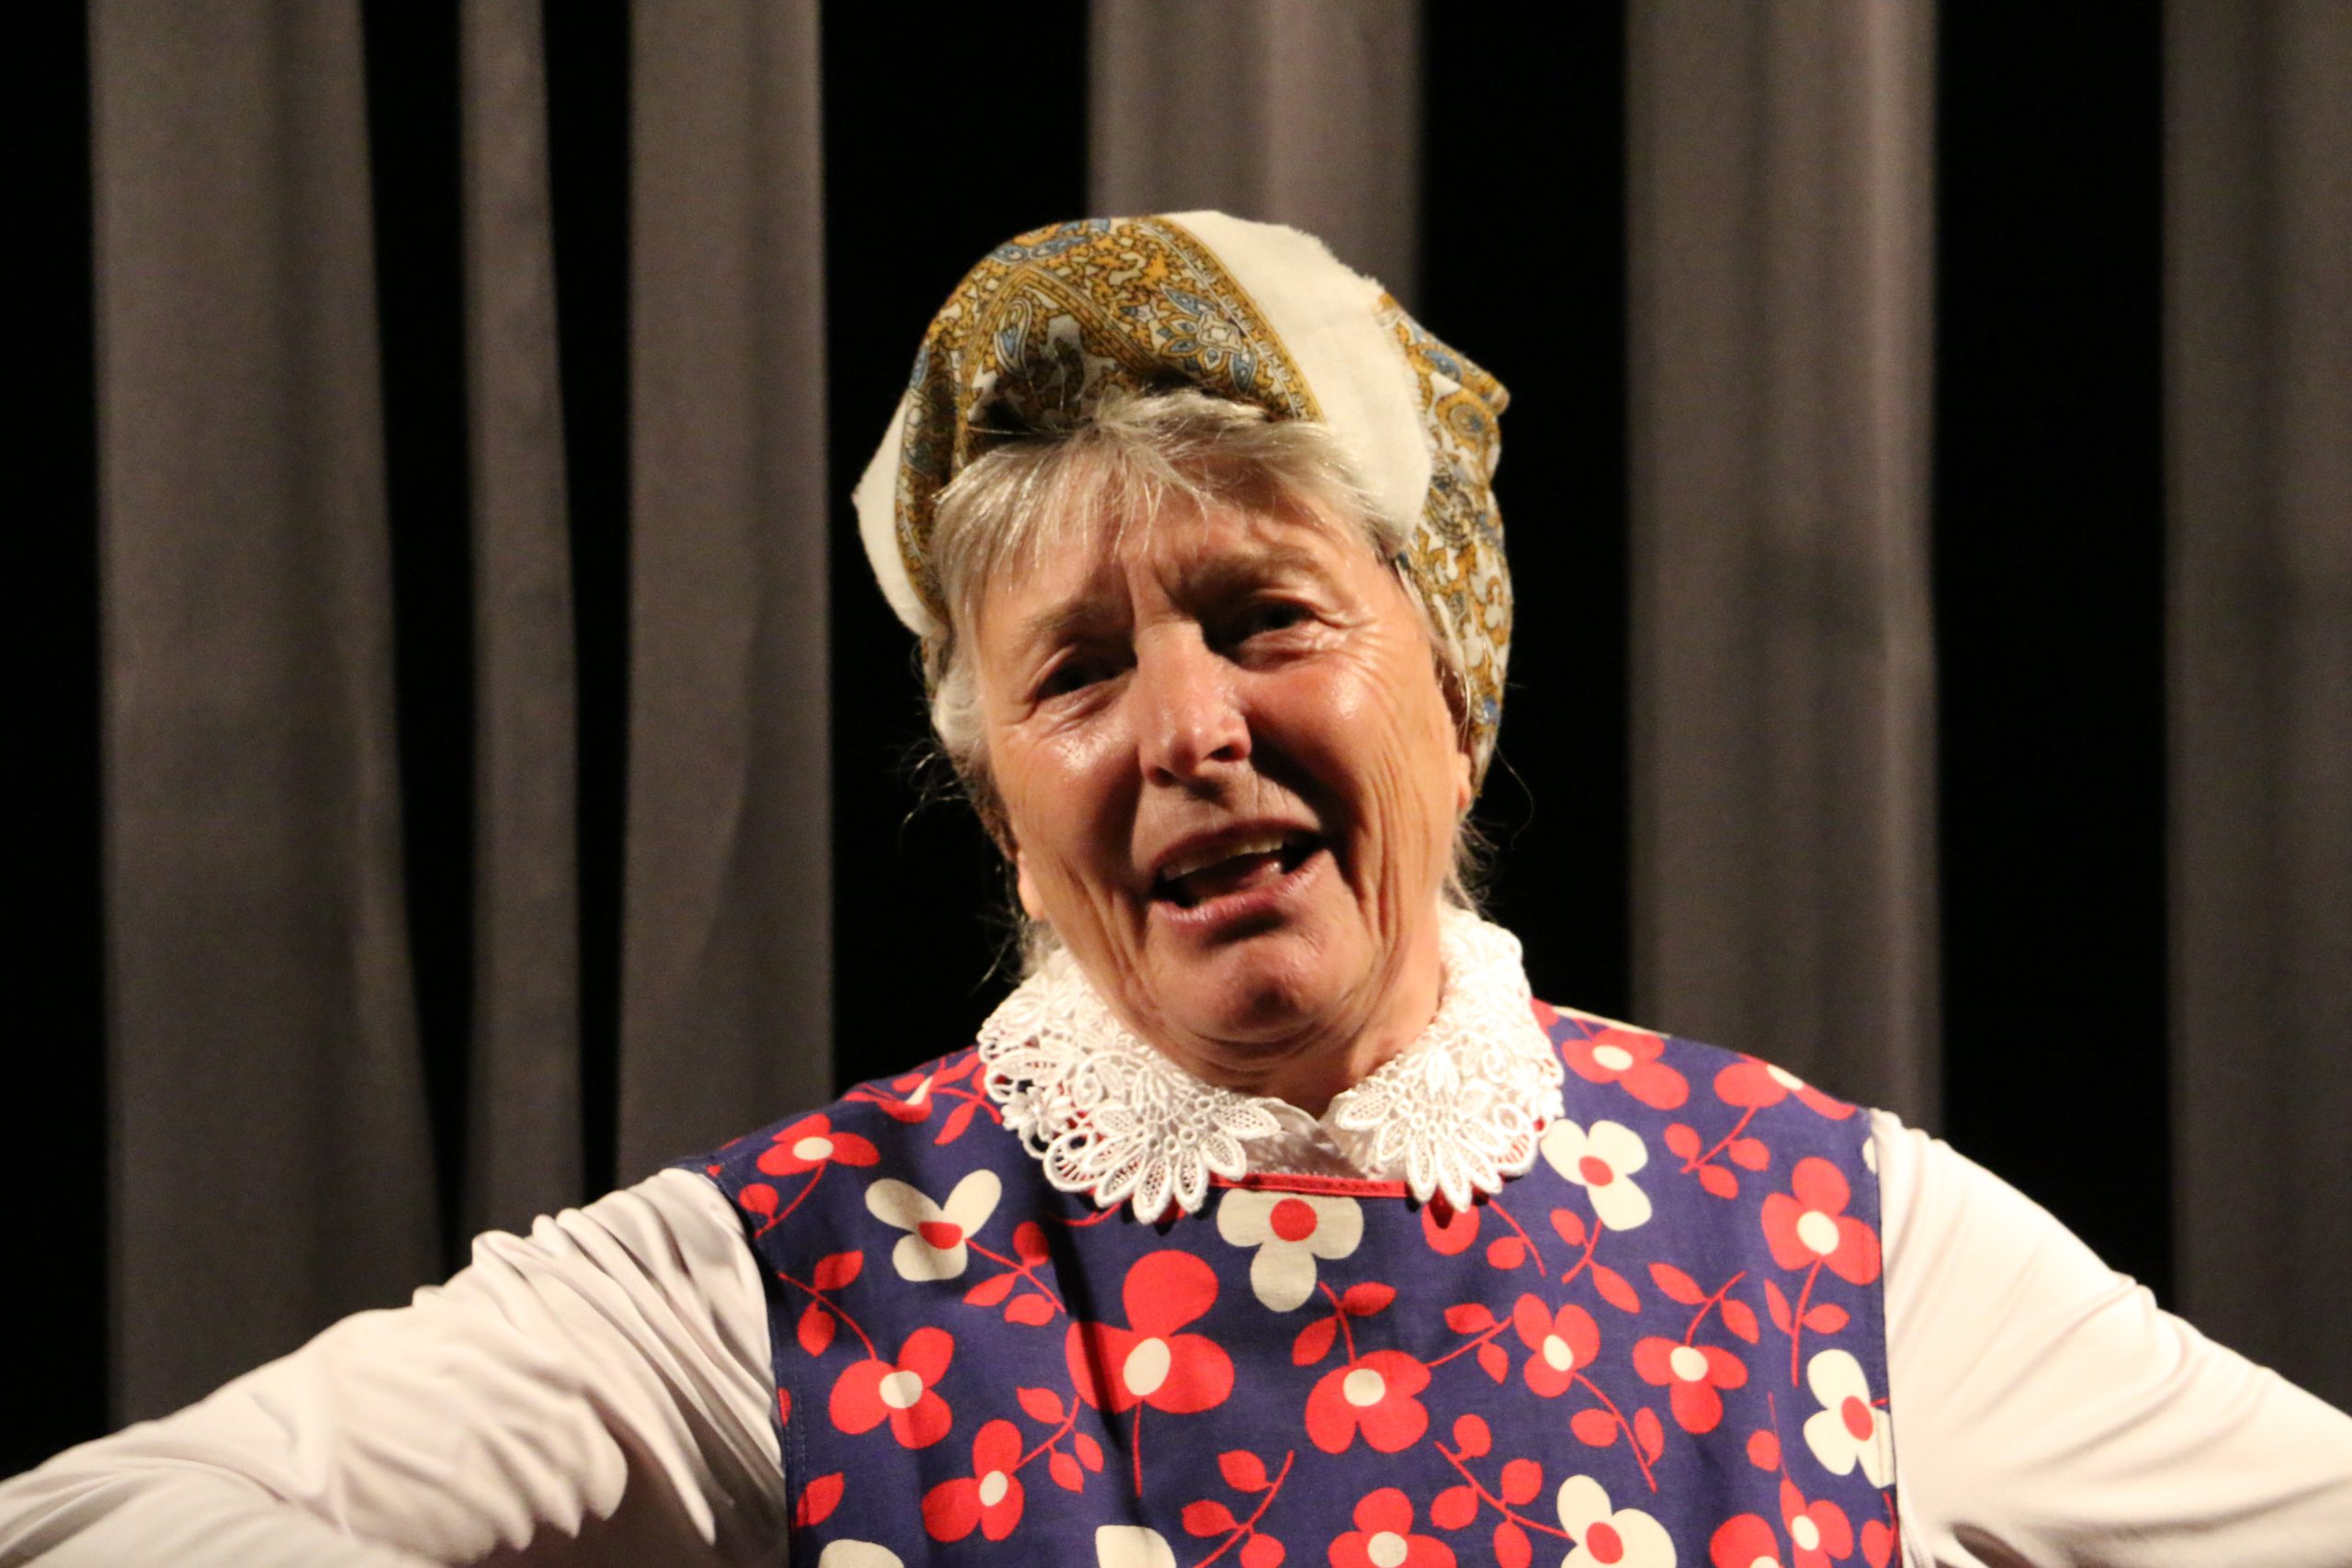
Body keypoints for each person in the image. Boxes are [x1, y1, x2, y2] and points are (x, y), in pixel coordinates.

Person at [3, 212, 2346, 1568]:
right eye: (1076, 671)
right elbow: (107, 1518)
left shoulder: (1817, 1231)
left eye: (1261, 615)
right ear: (1001, 798)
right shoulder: (798, 1267)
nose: (1186, 727)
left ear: (1450, 683)